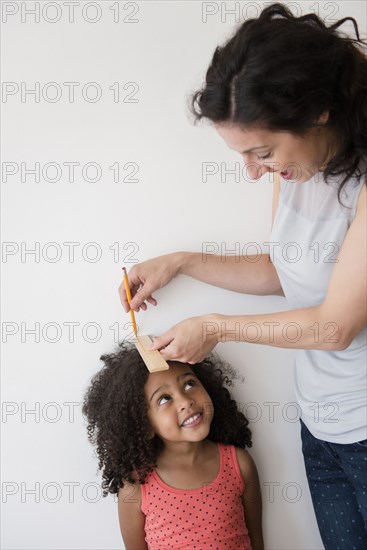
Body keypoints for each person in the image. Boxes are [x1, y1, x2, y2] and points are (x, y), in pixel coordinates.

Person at [118, 3, 367, 549]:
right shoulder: (299, 168)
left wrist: (216, 327)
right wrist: (180, 262)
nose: (255, 172)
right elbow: (283, 269)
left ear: (319, 112)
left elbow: (336, 327)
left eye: (261, 152)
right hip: (321, 424)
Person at [82, 342, 263, 550]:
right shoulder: (136, 486)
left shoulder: (240, 465)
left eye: (189, 384)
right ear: (145, 424)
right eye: (164, 399)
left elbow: (256, 541)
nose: (185, 401)